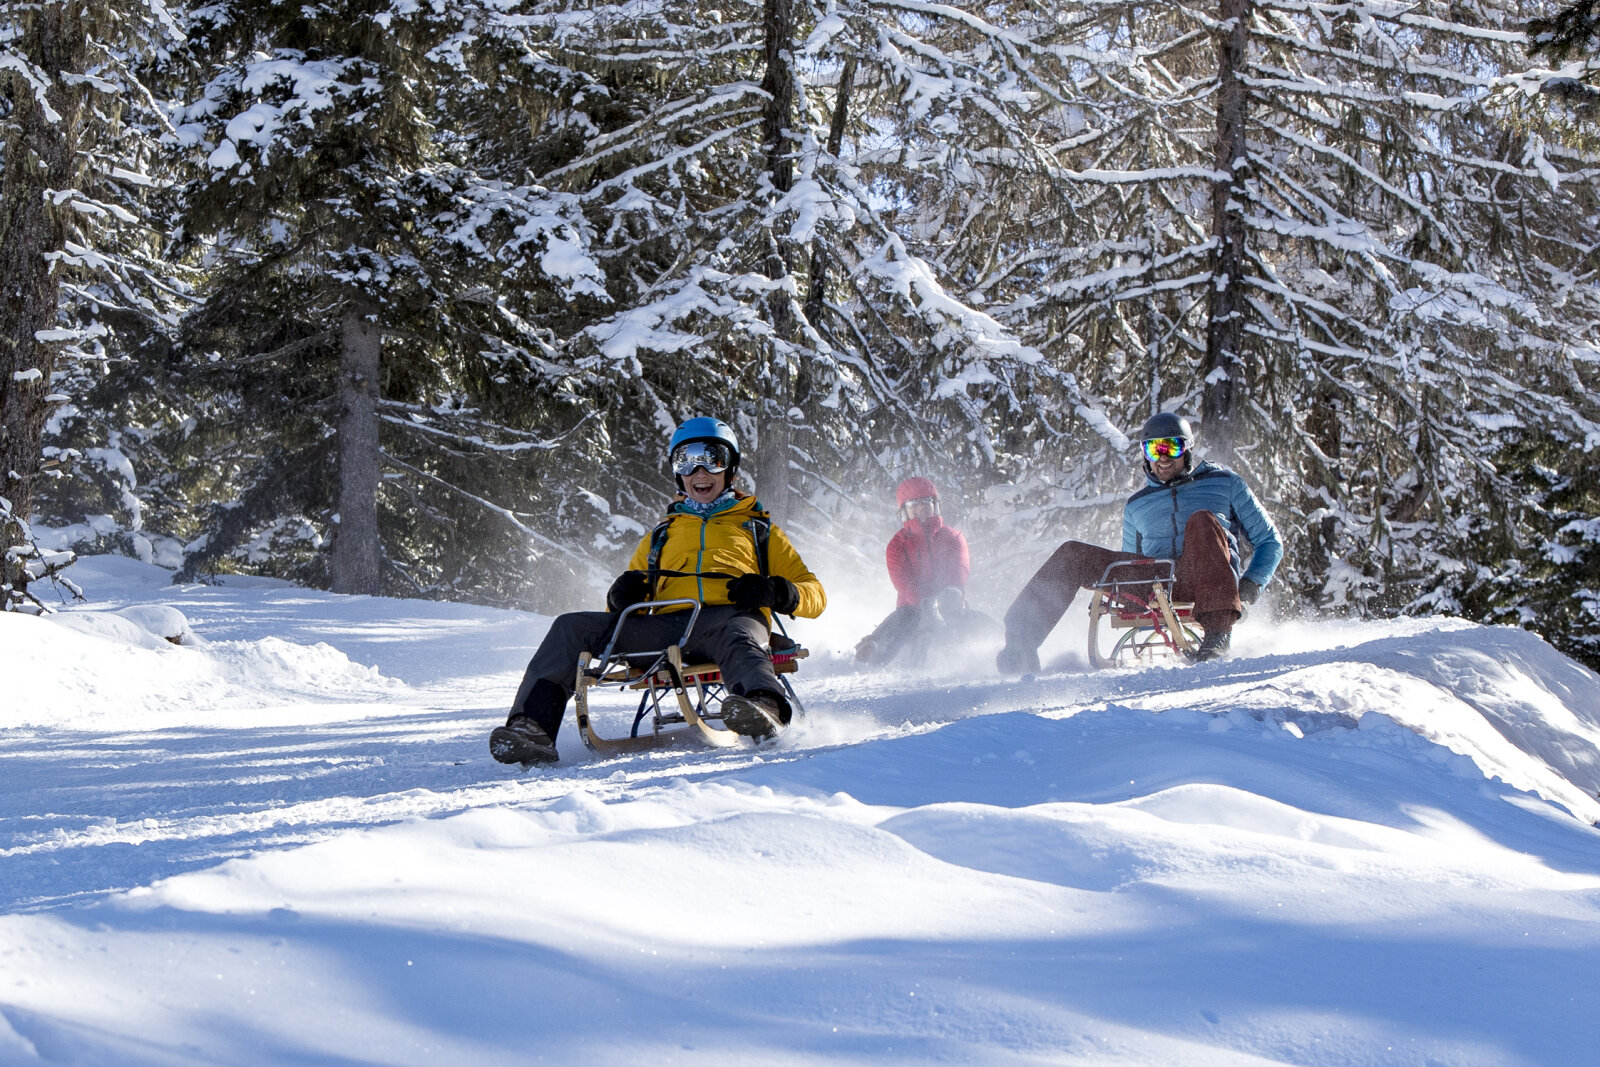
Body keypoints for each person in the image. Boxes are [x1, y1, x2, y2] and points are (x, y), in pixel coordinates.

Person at [491, 417, 827, 765]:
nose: (699, 470)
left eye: (712, 458)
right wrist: (621, 597)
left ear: (731, 469)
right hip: (666, 632)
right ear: (677, 472)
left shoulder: (757, 529)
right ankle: (531, 728)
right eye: (686, 459)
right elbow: (624, 605)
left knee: (739, 633)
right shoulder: (661, 535)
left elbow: (815, 594)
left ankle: (763, 706)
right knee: (569, 626)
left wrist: (776, 592)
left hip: (728, 622)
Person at [996, 412, 1282, 673]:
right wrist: (1125, 595)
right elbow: (1130, 560)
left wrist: (1250, 586)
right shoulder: (1137, 505)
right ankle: (1020, 643)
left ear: (1187, 448)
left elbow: (1270, 540)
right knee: (1073, 553)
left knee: (1202, 520)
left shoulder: (1225, 483)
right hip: (1156, 578)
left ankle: (1217, 634)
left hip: (1205, 577)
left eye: (1170, 447)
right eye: (1152, 449)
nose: (1162, 458)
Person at [855, 477, 976, 666]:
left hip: (950, 604)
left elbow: (960, 569)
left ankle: (1005, 647)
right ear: (905, 510)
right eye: (914, 503)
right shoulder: (897, 545)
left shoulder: (953, 537)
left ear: (934, 505)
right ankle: (873, 651)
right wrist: (925, 603)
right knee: (905, 620)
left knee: (963, 617)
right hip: (913, 608)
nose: (921, 508)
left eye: (926, 502)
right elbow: (902, 582)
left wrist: (949, 595)